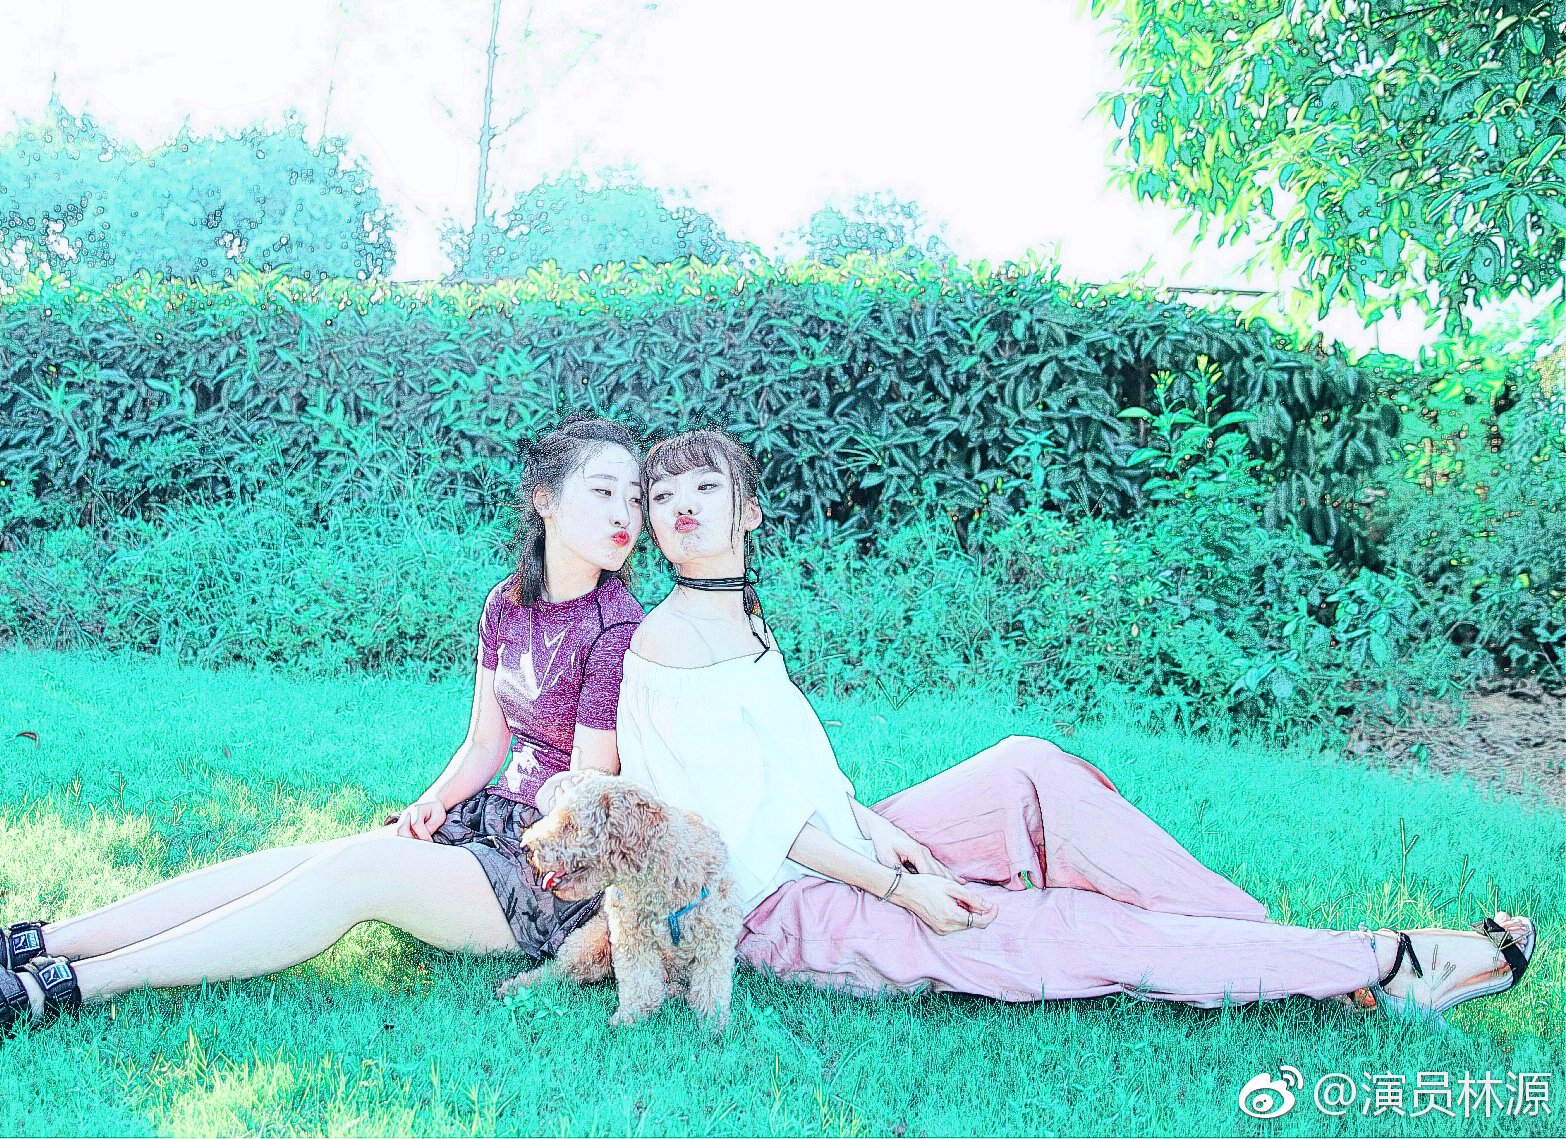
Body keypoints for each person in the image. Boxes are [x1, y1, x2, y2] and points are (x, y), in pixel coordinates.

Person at [601, 427, 1535, 1022]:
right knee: (1068, 928)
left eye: (704, 489)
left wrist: (879, 828)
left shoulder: (742, 617)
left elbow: (798, 773)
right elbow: (752, 822)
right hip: (773, 905)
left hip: (837, 844)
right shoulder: (670, 642)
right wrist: (901, 887)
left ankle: (1254, 937)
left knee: (1026, 766)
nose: (681, 509)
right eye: (663, 496)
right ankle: (1390, 963)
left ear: (750, 512)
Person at [0, 417, 647, 1051]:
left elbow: (580, 798)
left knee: (352, 874)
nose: (627, 513)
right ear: (544, 499)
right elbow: (485, 745)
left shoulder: (616, 627)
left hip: (551, 873)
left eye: (636, 497)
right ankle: (37, 942)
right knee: (294, 864)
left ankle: (62, 988)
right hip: (487, 825)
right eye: (603, 491)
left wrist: (486, 829)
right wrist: (433, 804)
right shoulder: (508, 602)